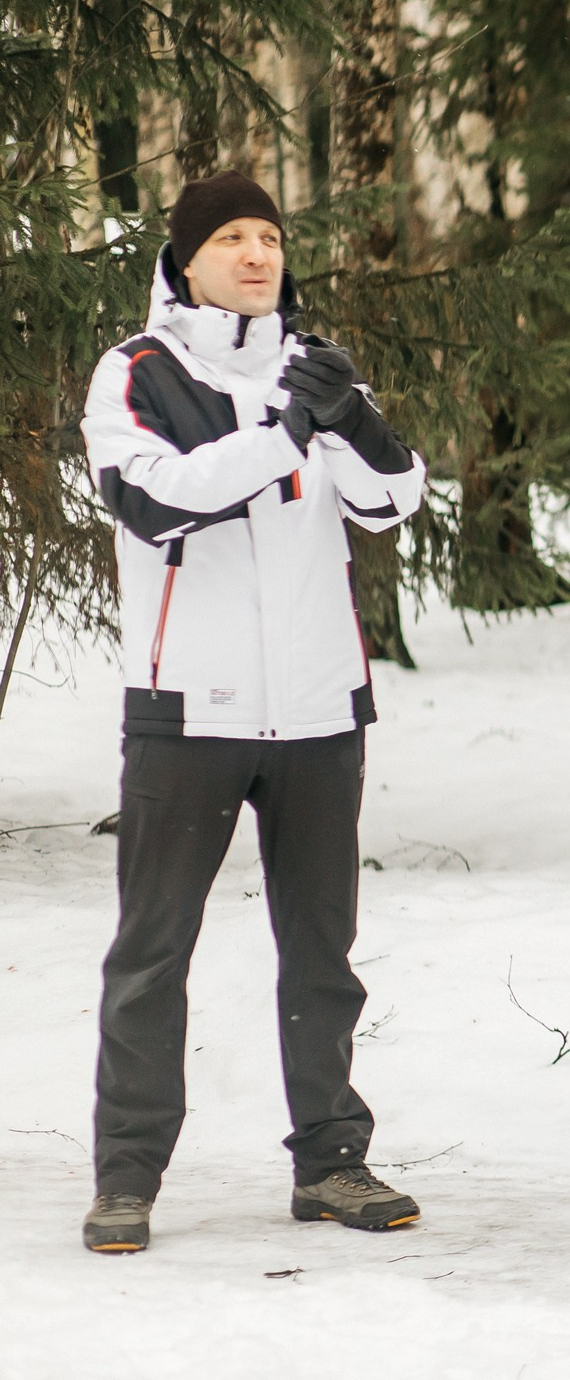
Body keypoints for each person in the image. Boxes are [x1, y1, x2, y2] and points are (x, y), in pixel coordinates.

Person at [76, 172, 429, 1254]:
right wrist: (284, 434)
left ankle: (332, 1162)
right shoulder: (135, 373)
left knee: (323, 954)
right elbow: (154, 500)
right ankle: (127, 1176)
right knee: (153, 952)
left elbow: (393, 498)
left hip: (320, 711)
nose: (255, 252)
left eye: (269, 234)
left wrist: (352, 419)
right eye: (230, 236)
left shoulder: (310, 367)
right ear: (184, 259)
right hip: (189, 711)